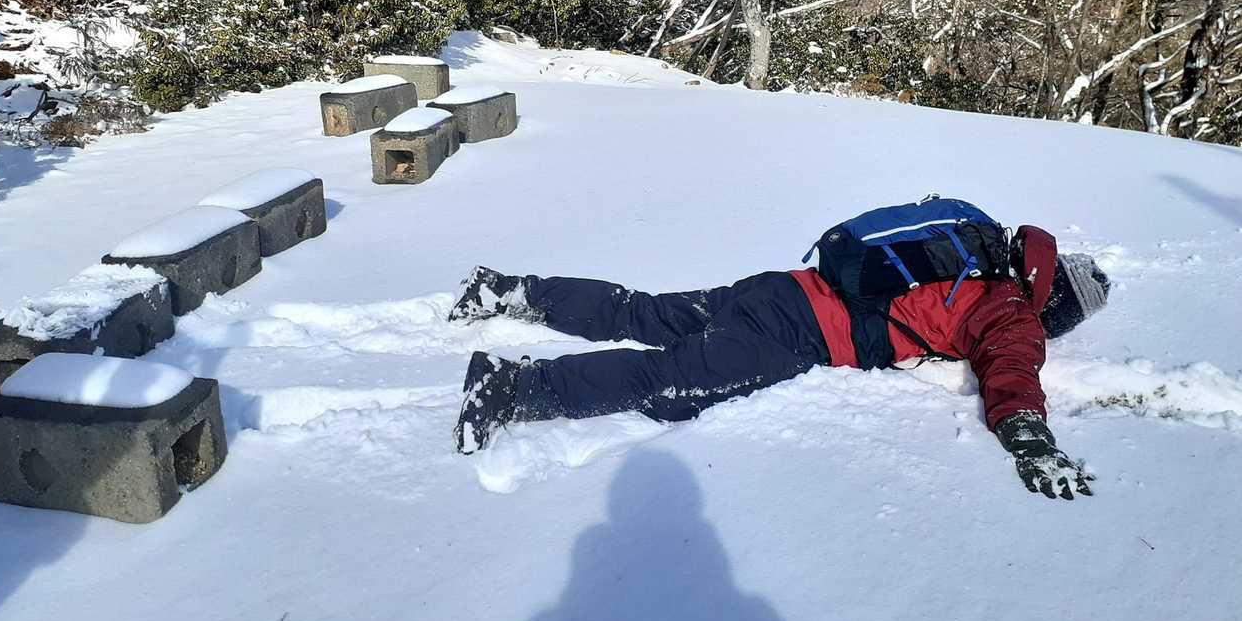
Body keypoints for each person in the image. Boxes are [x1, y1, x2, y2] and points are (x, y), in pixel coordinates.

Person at [450, 203, 1110, 501]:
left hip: (784, 287)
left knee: (642, 311)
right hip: (796, 334)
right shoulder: (1012, 313)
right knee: (666, 383)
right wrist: (1030, 440)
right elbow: (1012, 375)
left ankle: (506, 291)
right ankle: (508, 388)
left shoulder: (979, 248)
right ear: (1056, 305)